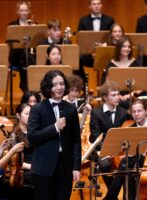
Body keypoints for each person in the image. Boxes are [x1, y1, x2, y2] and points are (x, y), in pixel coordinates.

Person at [28, 70, 81, 200]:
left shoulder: (71, 108)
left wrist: (76, 166)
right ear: (48, 87)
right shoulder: (37, 109)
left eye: (62, 84)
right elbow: (32, 137)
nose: (59, 87)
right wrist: (54, 128)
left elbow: (76, 140)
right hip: (43, 168)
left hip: (65, 166)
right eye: (55, 84)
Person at [103, 99, 147, 200]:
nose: (136, 114)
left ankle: (110, 197)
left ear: (146, 111)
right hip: (135, 162)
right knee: (125, 164)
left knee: (126, 167)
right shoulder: (131, 128)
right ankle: (113, 197)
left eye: (139, 111)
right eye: (134, 111)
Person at [89, 81, 129, 190]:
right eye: (113, 95)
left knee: (127, 163)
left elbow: (126, 134)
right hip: (101, 149)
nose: (117, 98)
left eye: (118, 94)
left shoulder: (123, 112)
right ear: (105, 97)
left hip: (120, 148)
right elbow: (95, 137)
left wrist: (117, 149)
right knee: (105, 164)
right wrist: (110, 150)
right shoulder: (96, 113)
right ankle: (113, 195)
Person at [77, 0, 115, 83]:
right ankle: (84, 86)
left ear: (102, 5)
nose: (96, 6)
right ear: (89, 6)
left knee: (114, 60)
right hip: (89, 55)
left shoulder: (110, 20)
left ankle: (105, 89)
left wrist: (101, 50)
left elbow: (112, 38)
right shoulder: (83, 20)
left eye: (98, 4)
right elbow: (80, 39)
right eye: (94, 4)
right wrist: (91, 52)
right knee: (77, 59)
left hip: (105, 54)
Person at [9, 1, 36, 92]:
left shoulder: (34, 24)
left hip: (29, 56)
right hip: (16, 56)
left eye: (26, 10)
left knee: (26, 58)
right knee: (24, 56)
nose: (24, 12)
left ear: (29, 11)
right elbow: (10, 43)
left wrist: (34, 30)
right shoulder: (12, 26)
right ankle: (28, 87)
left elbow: (38, 42)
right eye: (21, 10)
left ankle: (26, 87)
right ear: (17, 12)